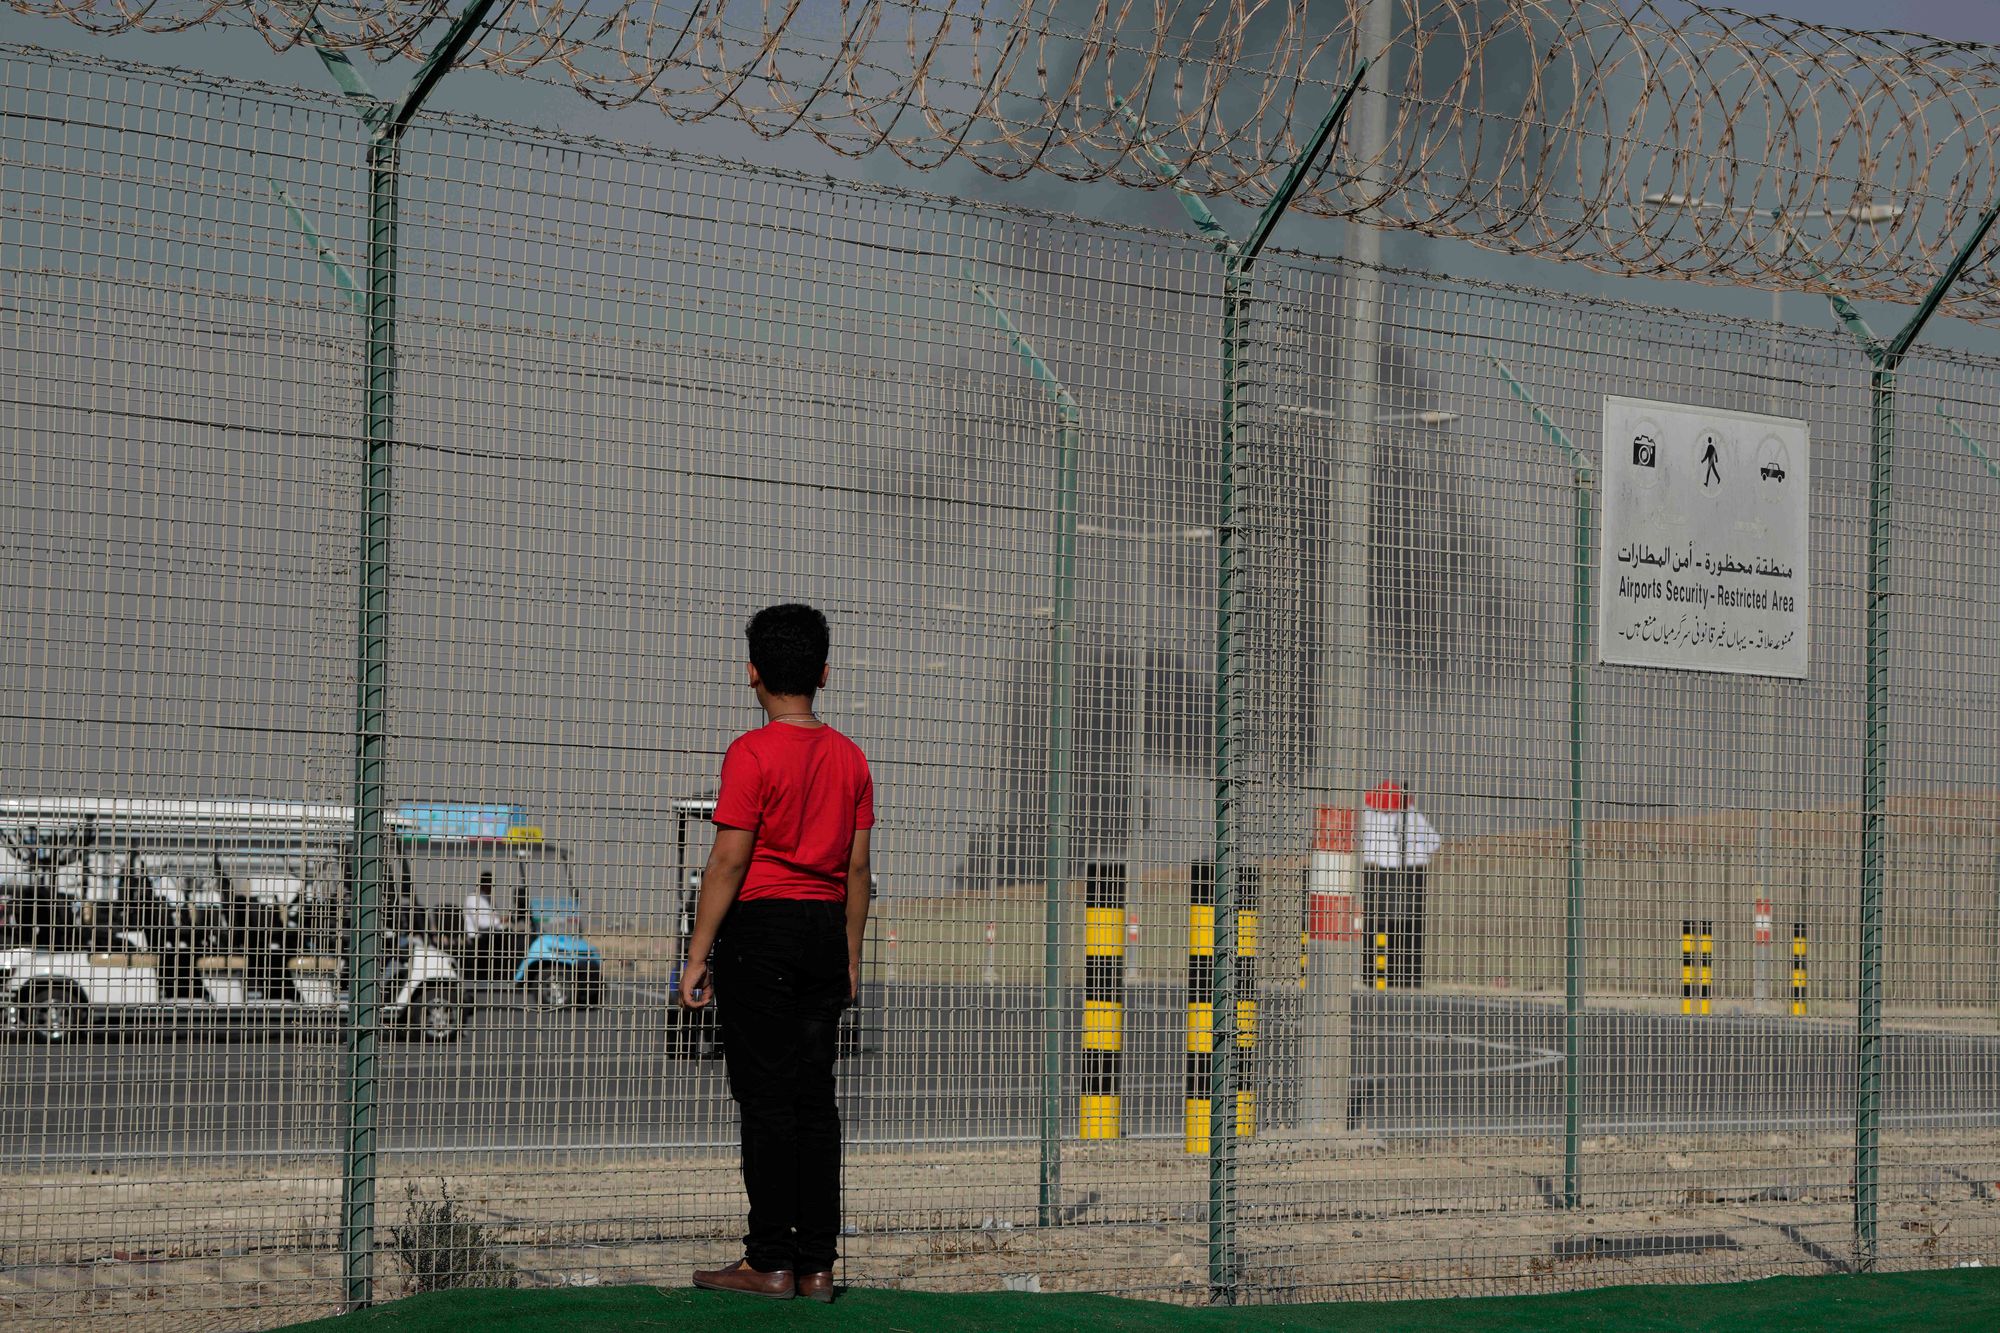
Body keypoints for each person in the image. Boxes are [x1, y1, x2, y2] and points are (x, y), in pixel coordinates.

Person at [682, 603, 874, 1304]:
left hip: (760, 935)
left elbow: (729, 860)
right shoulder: (852, 758)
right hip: (825, 930)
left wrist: (698, 953)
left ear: (752, 674)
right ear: (824, 672)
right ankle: (817, 1265)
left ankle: (768, 1261)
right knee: (815, 1102)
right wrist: (850, 953)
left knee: (766, 1102)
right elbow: (857, 872)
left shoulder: (750, 753)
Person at [1360, 781, 1441, 990]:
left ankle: (1374, 977)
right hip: (1411, 874)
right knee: (1408, 928)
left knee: (1376, 925)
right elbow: (1433, 841)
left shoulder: (1369, 815)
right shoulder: (1410, 816)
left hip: (1377, 873)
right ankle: (1407, 978)